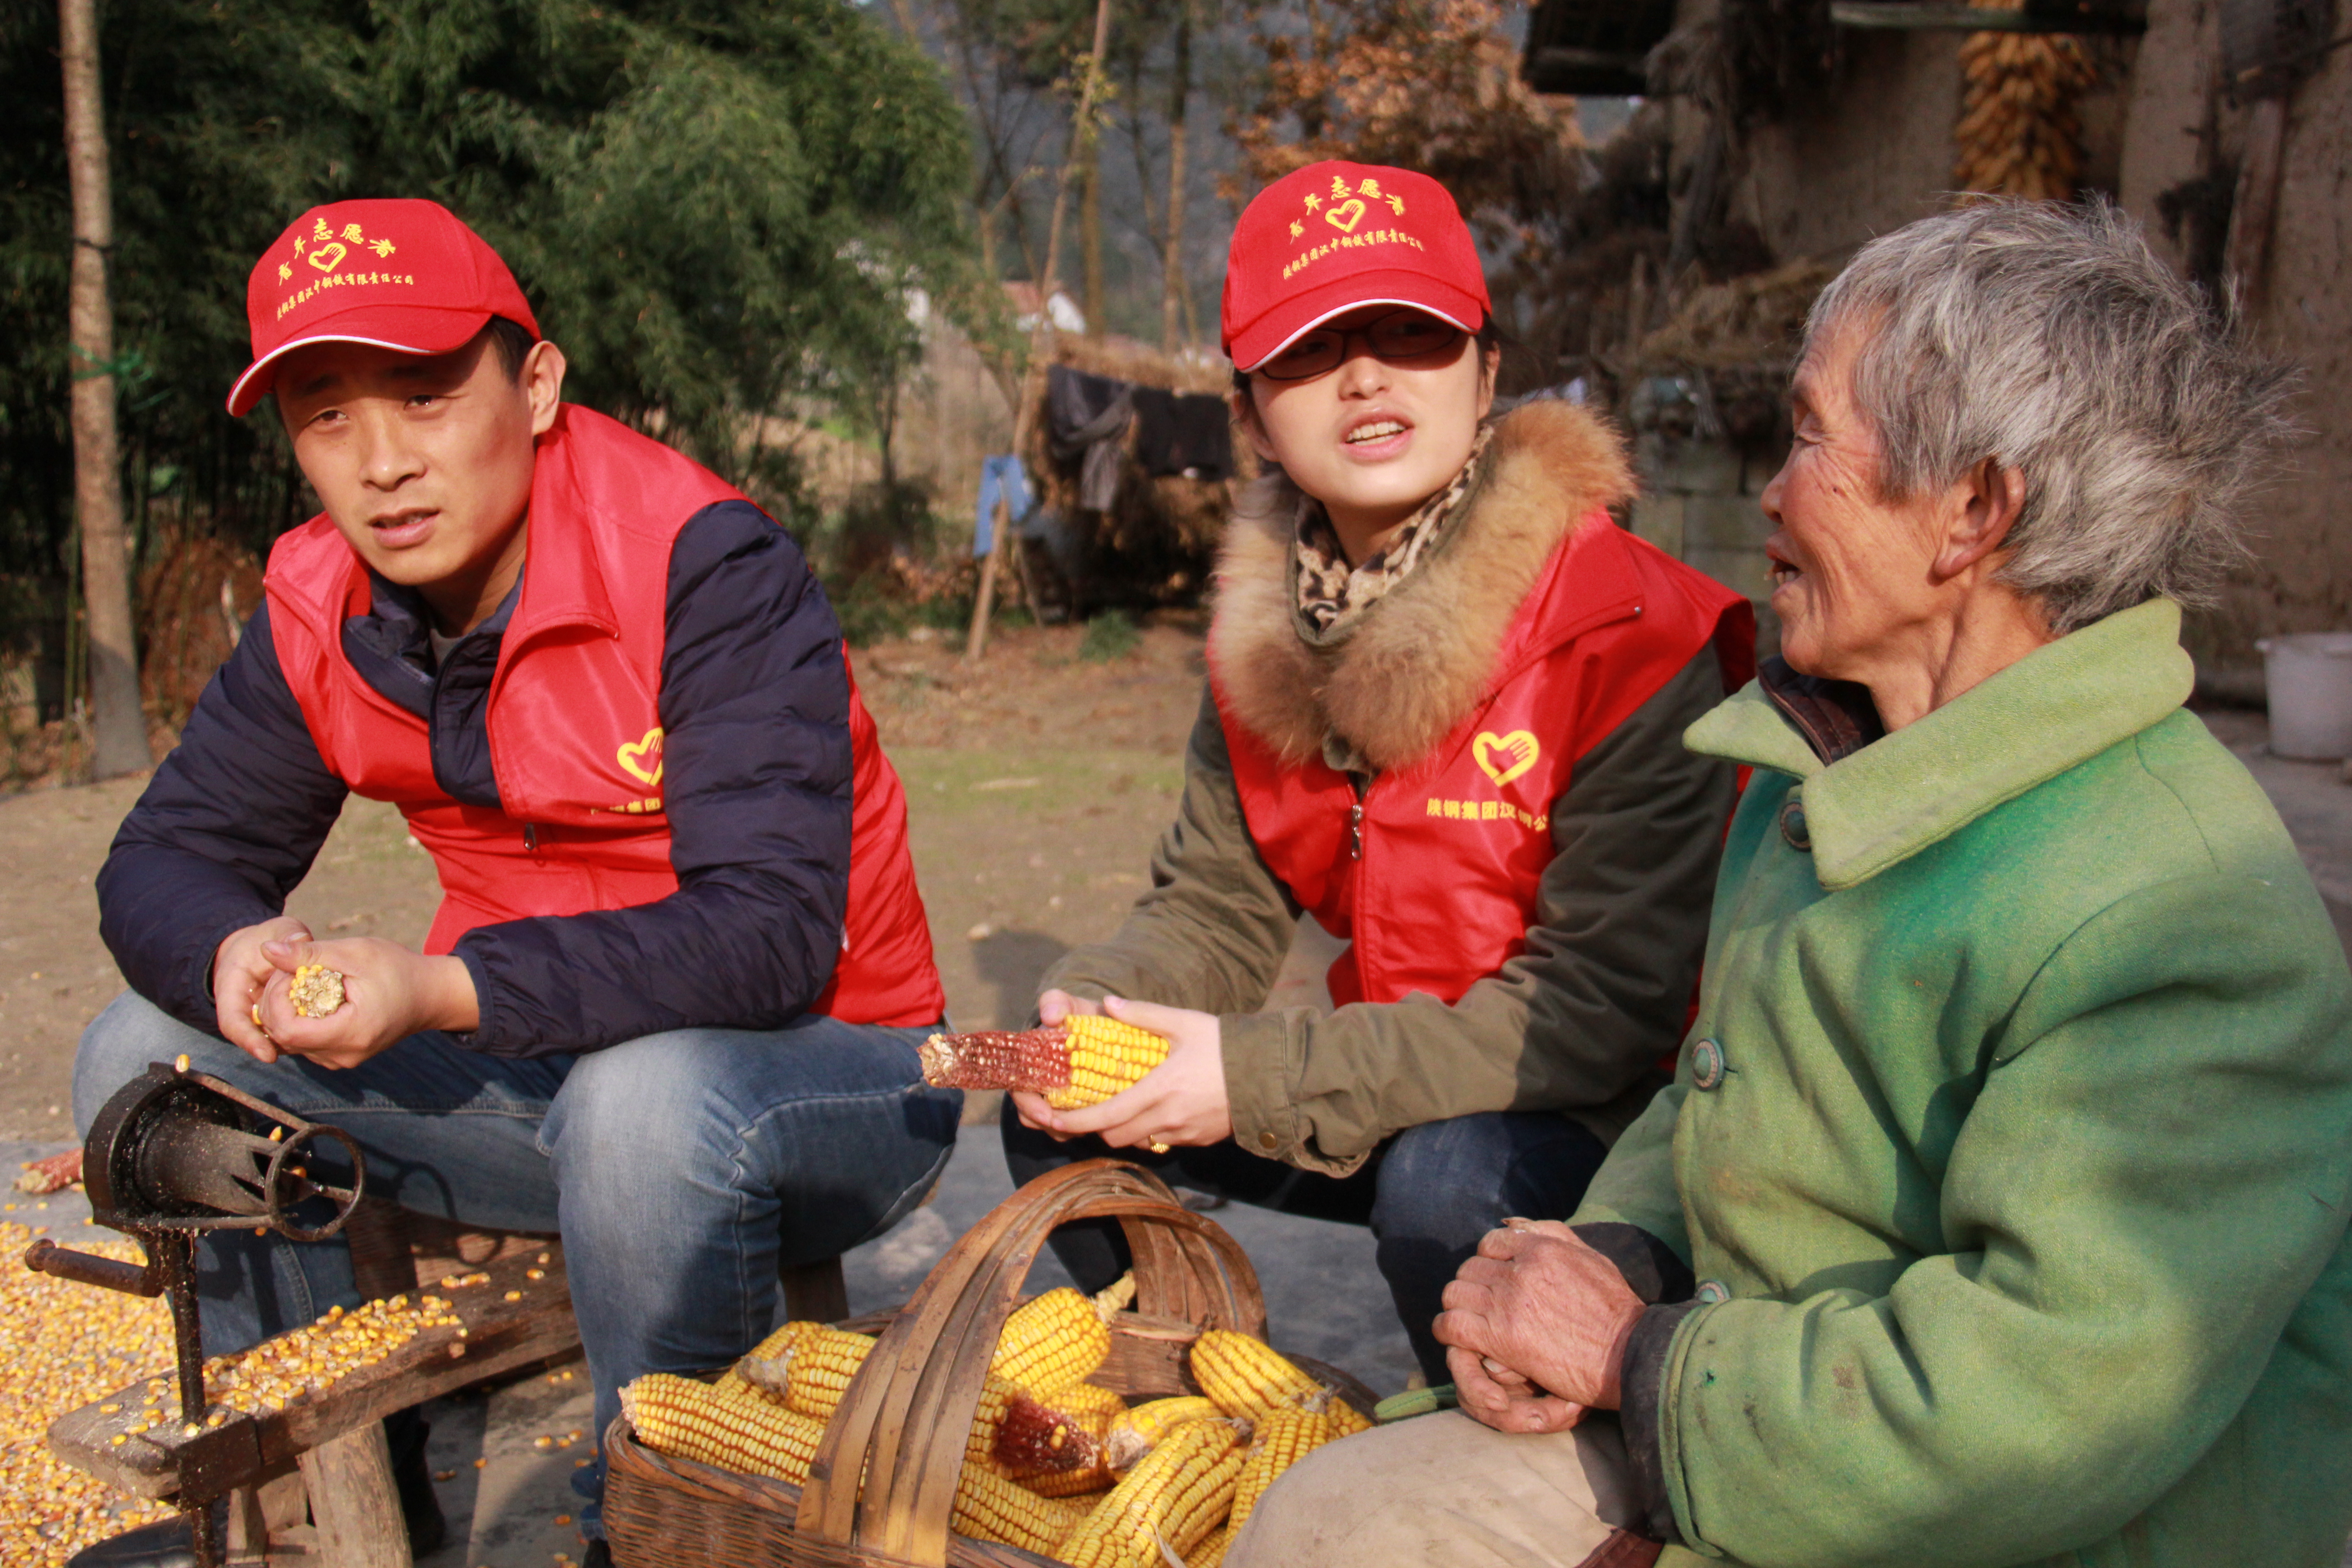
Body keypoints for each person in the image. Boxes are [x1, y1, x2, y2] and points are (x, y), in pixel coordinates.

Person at [1229, 199, 2352, 1568]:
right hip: (1761, 1408)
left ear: (1973, 512)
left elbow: (2045, 1408)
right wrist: (1619, 1256)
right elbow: (1717, 1086)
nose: (1769, 492)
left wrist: (1640, 1360)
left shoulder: (2181, 917)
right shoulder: (1819, 766)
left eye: (1813, 436)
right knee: (1324, 1519)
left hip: (2004, 1520)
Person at [72, 200, 958, 1567]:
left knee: (647, 1105)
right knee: (144, 1058)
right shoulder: (324, 603)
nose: (383, 465)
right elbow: (166, 860)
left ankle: (664, 1528)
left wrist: (440, 987)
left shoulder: (704, 564)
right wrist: (229, 949)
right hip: (532, 1074)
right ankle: (316, 1499)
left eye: (426, 398)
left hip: (828, 1074)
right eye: (326, 419)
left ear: (535, 385)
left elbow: (772, 938)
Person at [1003, 161, 1755, 1382]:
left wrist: (1249, 1075)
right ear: (1249, 412)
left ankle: (1517, 1493)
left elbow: (1597, 1014)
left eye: (1410, 333)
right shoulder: (1263, 639)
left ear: (1486, 366)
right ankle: (1208, 1426)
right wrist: (1103, 1002)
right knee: (1064, 1121)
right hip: (1390, 1086)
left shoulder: (1632, 636)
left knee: (1449, 1186)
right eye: (1312, 350)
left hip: (1619, 1119)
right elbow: (1215, 904)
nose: (1366, 377)